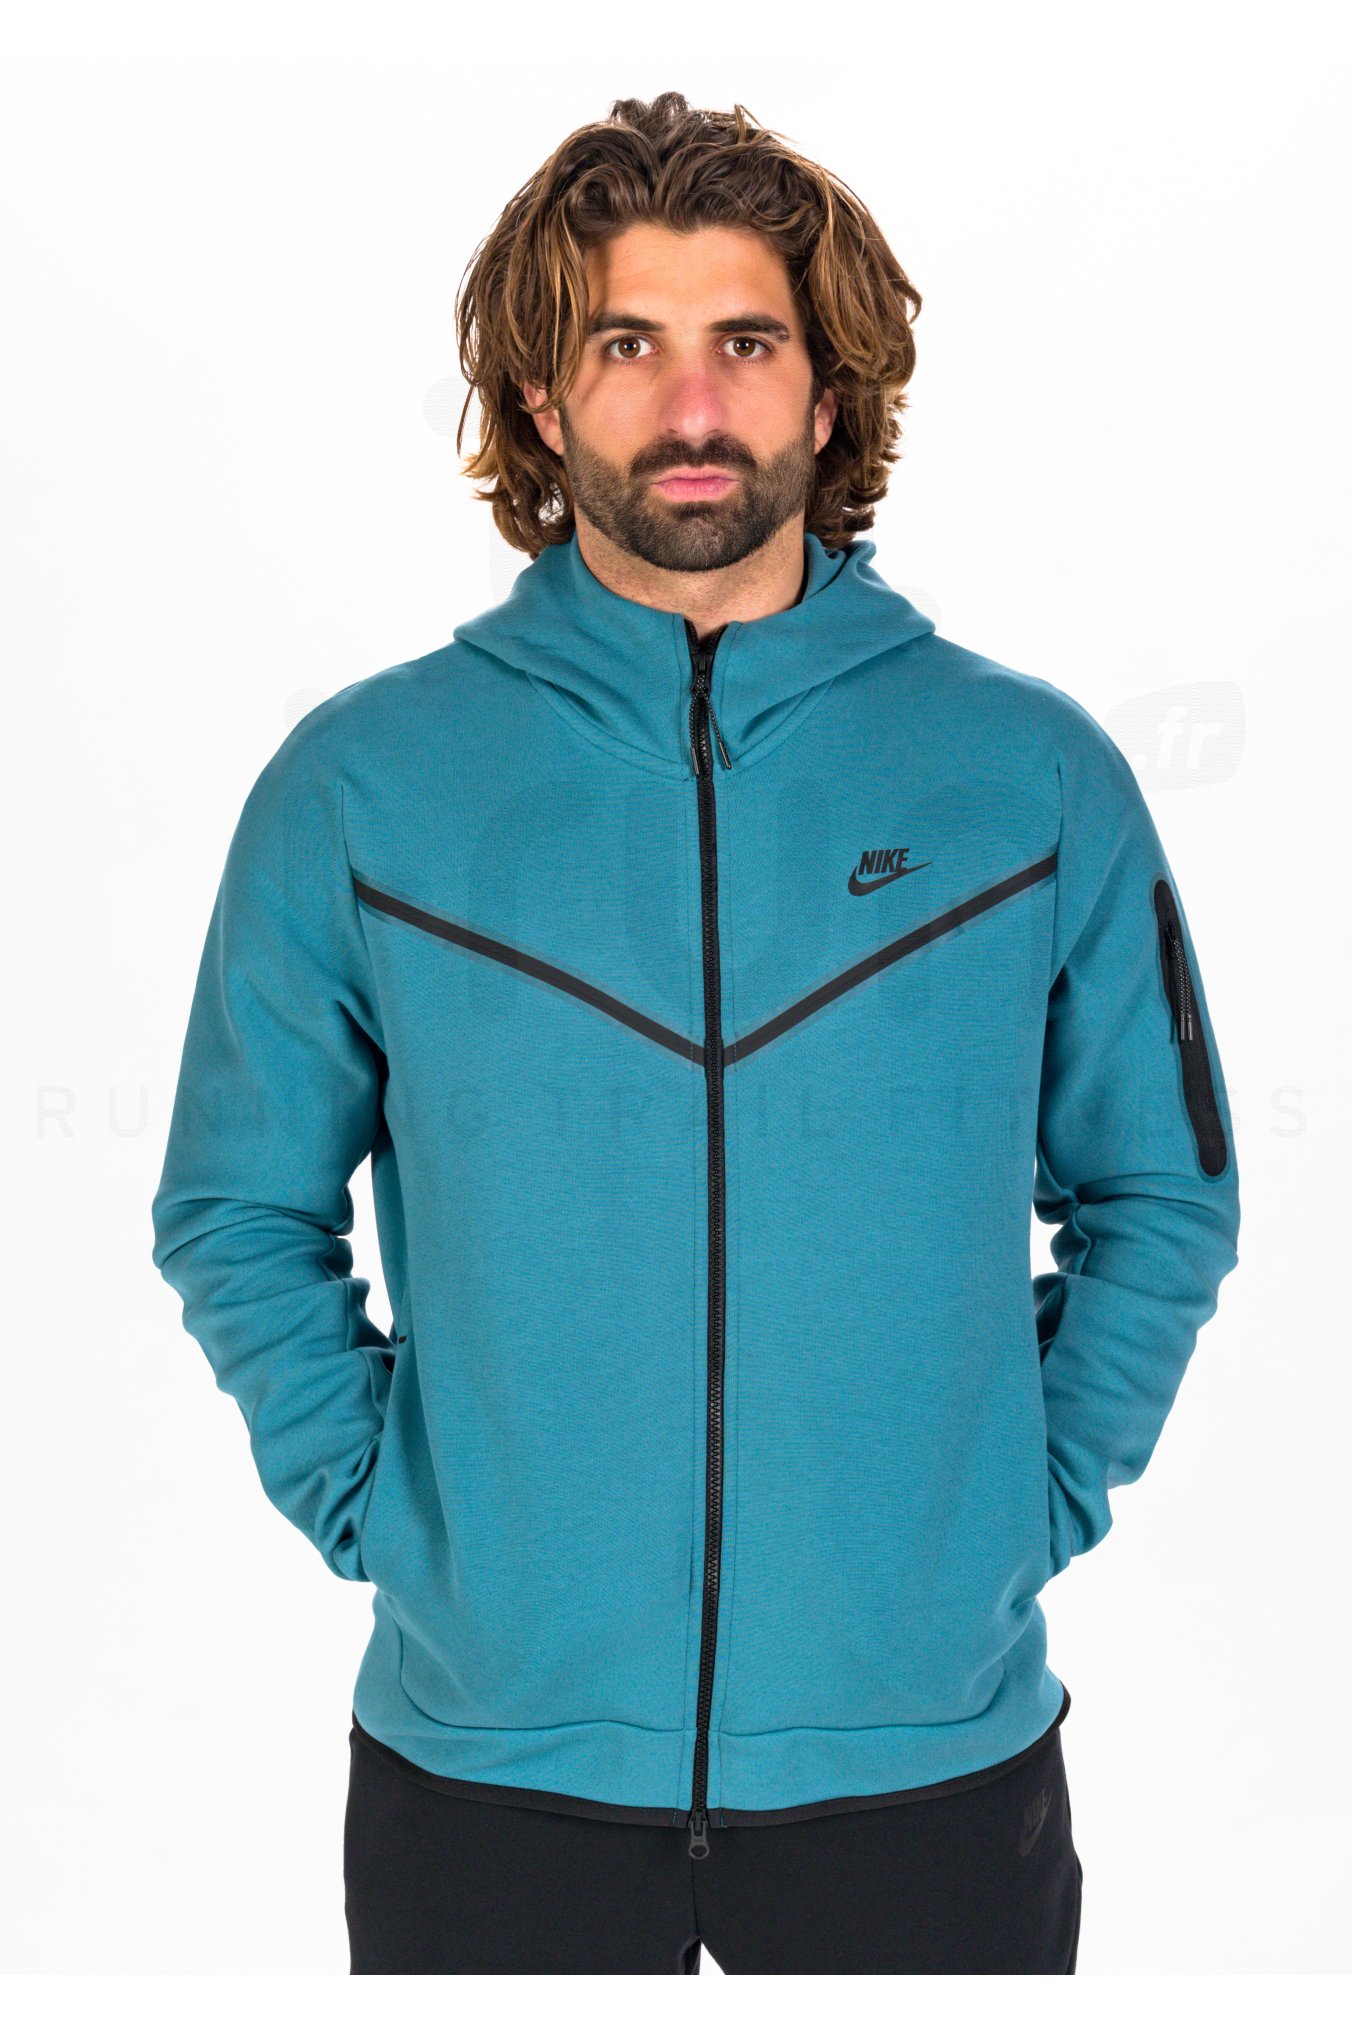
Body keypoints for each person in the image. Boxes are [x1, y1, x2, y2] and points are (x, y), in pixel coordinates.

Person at [150, 91, 1240, 1975]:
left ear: (830, 392)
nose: (692, 404)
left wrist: (1022, 1498)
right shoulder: (360, 786)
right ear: (541, 399)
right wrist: (394, 1515)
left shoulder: (1030, 776)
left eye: (745, 341)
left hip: (927, 1768)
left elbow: (1165, 1192)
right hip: (490, 1775)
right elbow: (235, 1210)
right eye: (625, 345)